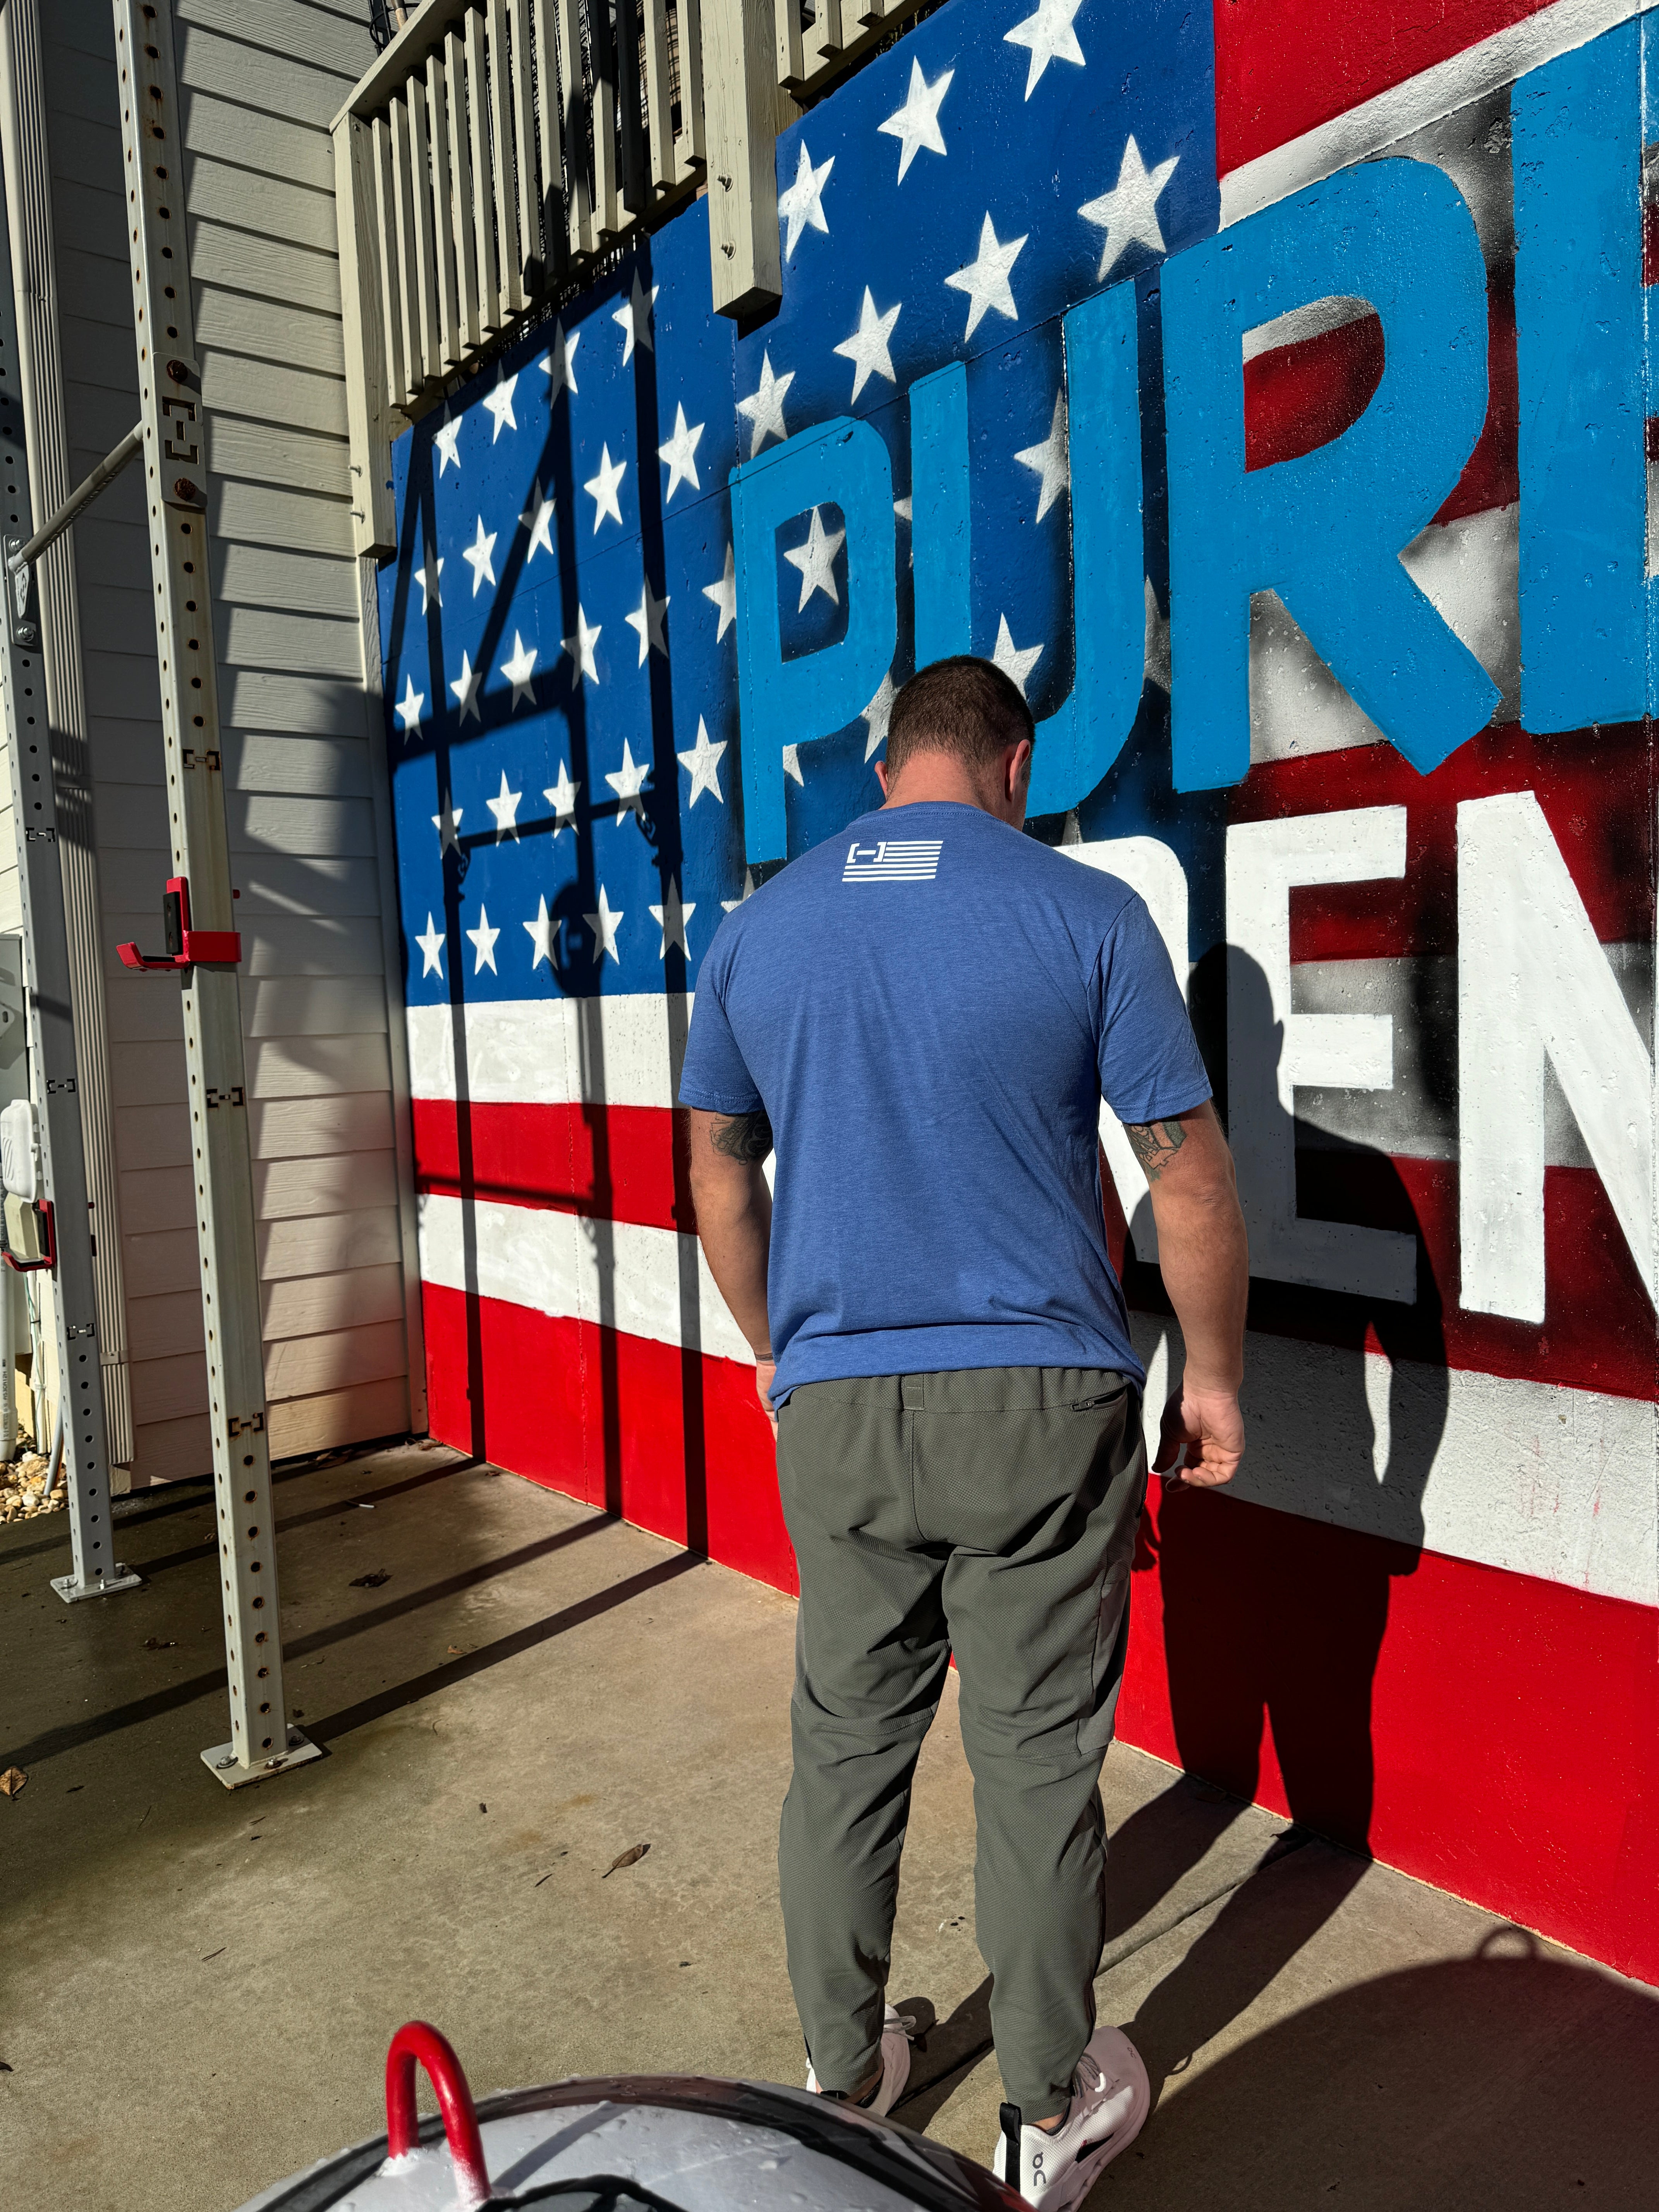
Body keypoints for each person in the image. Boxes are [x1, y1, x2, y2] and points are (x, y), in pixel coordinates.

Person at [679, 656, 1249, 2209]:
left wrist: (782, 1353)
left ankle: (840, 2067)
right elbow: (1185, 1178)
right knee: (1036, 1763)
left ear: (888, 769)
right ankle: (1046, 2108)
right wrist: (1211, 1381)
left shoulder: (762, 930)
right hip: (1042, 1398)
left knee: (846, 1749)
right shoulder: (1082, 915)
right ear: (1014, 763)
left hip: (842, 1403)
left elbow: (723, 1178)